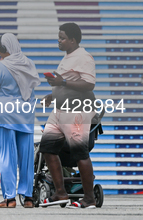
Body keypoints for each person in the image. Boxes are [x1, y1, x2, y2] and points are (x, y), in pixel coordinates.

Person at [40, 23, 97, 209]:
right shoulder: (67, 57)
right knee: (47, 148)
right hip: (59, 111)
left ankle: (89, 198)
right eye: (59, 37)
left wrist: (62, 81)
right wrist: (52, 94)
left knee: (80, 152)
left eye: (62, 37)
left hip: (76, 112)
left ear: (73, 40)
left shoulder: (84, 57)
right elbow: (65, 84)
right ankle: (60, 193)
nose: (59, 40)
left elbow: (89, 84)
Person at [0, 33, 40, 208]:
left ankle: (10, 198)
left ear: (3, 48)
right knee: (27, 159)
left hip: (3, 115)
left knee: (6, 156)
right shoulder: (29, 64)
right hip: (25, 115)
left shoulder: (0, 67)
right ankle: (28, 198)